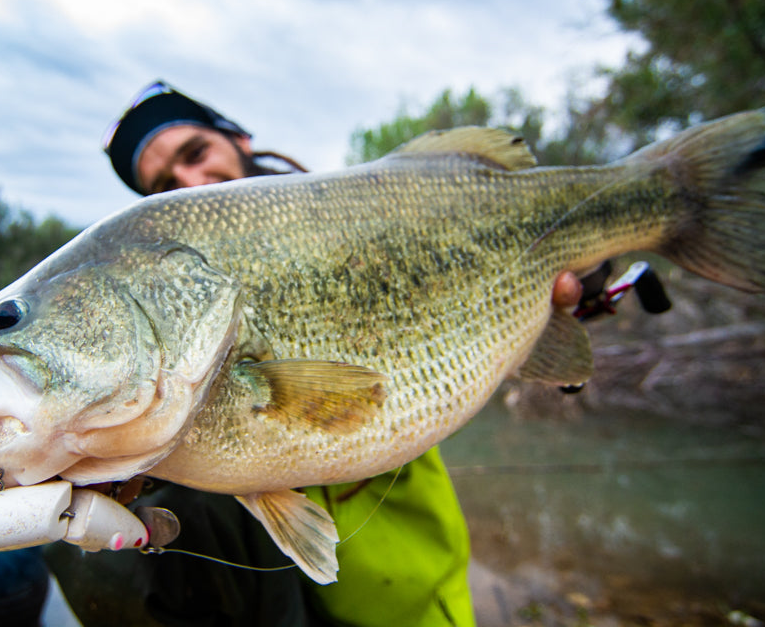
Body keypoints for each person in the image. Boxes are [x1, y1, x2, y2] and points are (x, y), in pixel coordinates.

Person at [47, 81, 583, 627]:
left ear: (239, 139)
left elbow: (498, 281)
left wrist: (575, 280)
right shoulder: (180, 308)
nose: (190, 179)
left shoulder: (367, 215)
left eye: (196, 152)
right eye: (164, 185)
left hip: (411, 589)